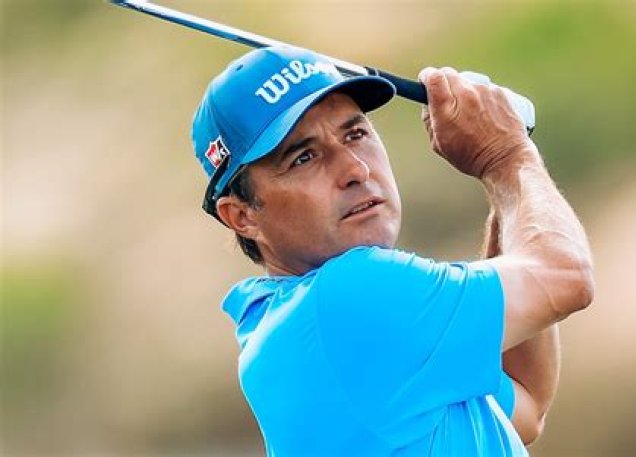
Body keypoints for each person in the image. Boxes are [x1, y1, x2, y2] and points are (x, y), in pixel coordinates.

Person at [191, 45, 594, 456]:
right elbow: (567, 277)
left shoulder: (294, 324)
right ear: (242, 216)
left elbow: (526, 405)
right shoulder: (351, 294)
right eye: (304, 157)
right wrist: (505, 153)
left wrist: (501, 177)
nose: (356, 169)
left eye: (356, 134)